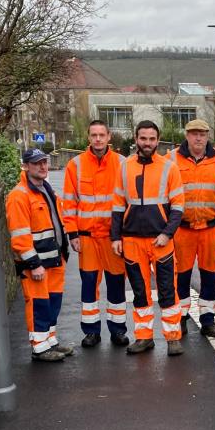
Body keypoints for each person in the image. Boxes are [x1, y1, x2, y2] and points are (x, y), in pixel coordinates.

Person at [110, 120, 185, 356]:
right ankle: (144, 337)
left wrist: (167, 233)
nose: (148, 143)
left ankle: (173, 338)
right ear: (136, 139)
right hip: (131, 240)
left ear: (158, 139)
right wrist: (115, 237)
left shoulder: (168, 167)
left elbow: (178, 206)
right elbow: (118, 205)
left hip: (160, 240)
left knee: (167, 291)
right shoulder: (125, 167)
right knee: (140, 292)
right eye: (143, 138)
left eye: (152, 139)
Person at [62, 120, 128, 349]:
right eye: (94, 135)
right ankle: (91, 332)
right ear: (88, 137)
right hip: (87, 237)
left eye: (102, 135)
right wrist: (72, 233)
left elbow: (127, 201)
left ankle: (118, 330)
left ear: (109, 136)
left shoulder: (121, 164)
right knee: (89, 285)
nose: (98, 139)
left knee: (116, 285)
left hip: (113, 238)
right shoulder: (76, 165)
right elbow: (69, 202)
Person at [6, 148, 72, 362]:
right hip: (37, 264)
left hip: (53, 260)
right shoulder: (19, 196)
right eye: (37, 163)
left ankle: (50, 341)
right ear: (25, 166)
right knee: (38, 304)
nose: (43, 166)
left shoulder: (45, 189)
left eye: (44, 162)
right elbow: (19, 236)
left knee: (52, 303)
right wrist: (33, 264)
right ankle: (39, 347)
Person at [173, 118, 215, 339]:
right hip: (182, 229)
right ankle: (180, 319)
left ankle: (208, 321)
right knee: (181, 276)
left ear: (208, 136)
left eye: (202, 134)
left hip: (209, 229)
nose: (198, 137)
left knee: (209, 276)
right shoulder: (171, 159)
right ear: (187, 135)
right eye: (194, 133)